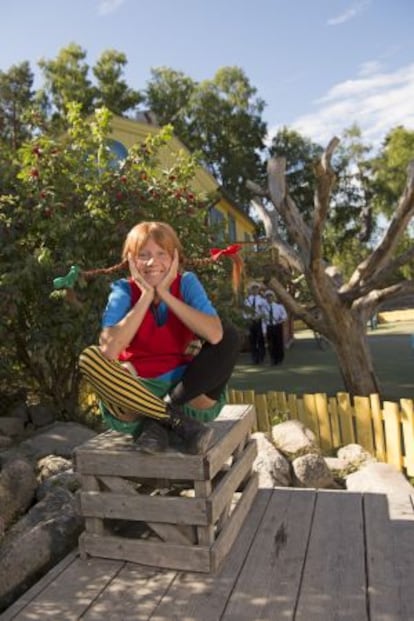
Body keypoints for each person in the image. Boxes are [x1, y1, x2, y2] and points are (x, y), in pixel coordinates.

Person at [78, 221, 241, 455]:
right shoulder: (122, 290)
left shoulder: (187, 283)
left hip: (187, 394)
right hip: (136, 398)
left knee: (230, 336)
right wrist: (146, 296)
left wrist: (165, 294)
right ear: (130, 261)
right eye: (143, 255)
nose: (152, 262)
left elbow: (215, 334)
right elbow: (108, 351)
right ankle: (175, 422)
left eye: (161, 254)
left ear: (175, 258)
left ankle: (161, 419)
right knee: (89, 358)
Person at [262, 290, 288, 365]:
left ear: (273, 297)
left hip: (277, 326)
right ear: (266, 298)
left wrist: (281, 319)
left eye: (270, 296)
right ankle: (273, 359)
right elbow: (263, 320)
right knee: (270, 344)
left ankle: (280, 358)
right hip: (269, 326)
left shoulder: (279, 306)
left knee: (278, 342)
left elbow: (285, 315)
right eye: (267, 297)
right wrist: (264, 331)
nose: (269, 298)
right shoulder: (264, 308)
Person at [243, 282, 266, 364]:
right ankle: (254, 358)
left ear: (258, 290)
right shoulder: (247, 300)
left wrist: (260, 317)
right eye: (253, 288)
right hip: (250, 321)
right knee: (252, 340)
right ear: (251, 290)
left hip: (258, 321)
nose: (255, 290)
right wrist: (247, 322)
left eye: (256, 288)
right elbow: (244, 313)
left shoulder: (262, 300)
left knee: (260, 340)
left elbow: (264, 312)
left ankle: (261, 357)